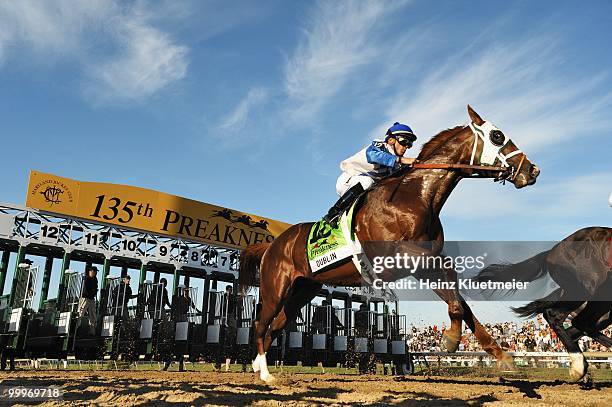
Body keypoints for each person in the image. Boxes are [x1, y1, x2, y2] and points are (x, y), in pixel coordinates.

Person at [323, 122, 418, 224]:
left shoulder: (396, 164)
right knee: (367, 181)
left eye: (410, 144)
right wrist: (402, 160)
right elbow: (373, 156)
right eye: (404, 141)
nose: (406, 146)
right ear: (391, 140)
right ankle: (333, 213)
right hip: (349, 180)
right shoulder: (380, 146)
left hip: (366, 189)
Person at [78, 265, 99, 335]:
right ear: (91, 271)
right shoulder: (86, 279)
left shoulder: (95, 279)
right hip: (85, 298)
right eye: (95, 272)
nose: (96, 273)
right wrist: (93, 292)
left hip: (91, 298)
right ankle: (76, 329)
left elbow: (95, 289)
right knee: (80, 313)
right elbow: (85, 290)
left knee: (93, 315)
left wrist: (93, 292)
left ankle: (92, 332)